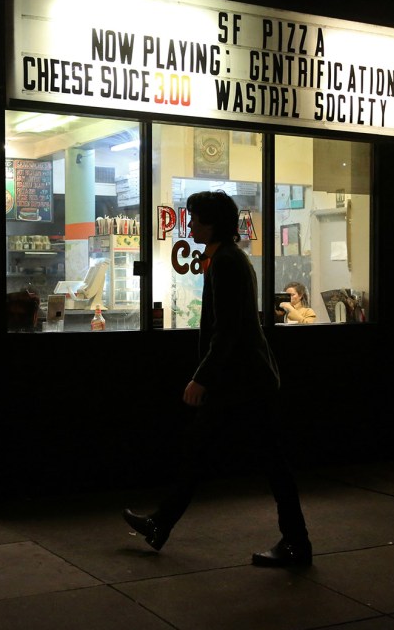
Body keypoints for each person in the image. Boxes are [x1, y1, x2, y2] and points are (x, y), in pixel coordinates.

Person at [122, 190, 311, 567]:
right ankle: (162, 524)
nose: (190, 224)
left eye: (194, 218)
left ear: (210, 223)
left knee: (262, 462)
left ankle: (297, 544)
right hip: (246, 380)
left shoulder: (226, 262)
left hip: (243, 382)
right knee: (208, 452)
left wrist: (201, 378)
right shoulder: (228, 258)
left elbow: (227, 331)